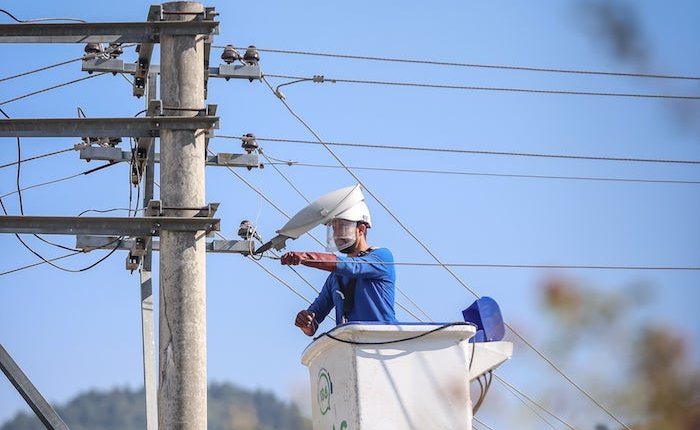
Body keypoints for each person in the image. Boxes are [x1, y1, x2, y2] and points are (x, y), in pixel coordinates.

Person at [281, 201, 397, 336]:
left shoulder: (382, 256)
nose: (337, 234)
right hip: (353, 344)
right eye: (334, 228)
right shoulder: (336, 277)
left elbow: (353, 266)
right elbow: (314, 319)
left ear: (361, 229)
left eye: (342, 226)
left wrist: (306, 257)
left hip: (384, 342)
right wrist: (305, 321)